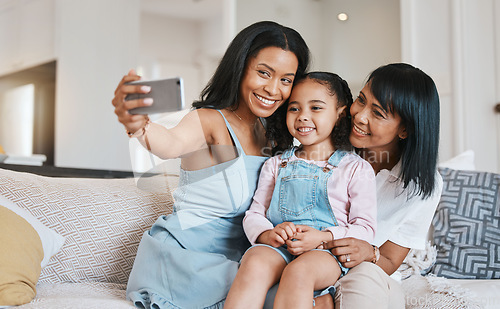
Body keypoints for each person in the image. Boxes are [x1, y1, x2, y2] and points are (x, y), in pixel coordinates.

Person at [111, 21, 310, 309]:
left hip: (244, 259)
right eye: (263, 73)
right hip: (188, 260)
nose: (273, 89)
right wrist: (138, 125)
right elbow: (169, 143)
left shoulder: (277, 134)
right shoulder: (209, 120)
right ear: (240, 67)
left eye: (286, 80)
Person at [224, 72, 377, 309]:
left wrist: (324, 237)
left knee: (300, 270)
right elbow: (255, 214)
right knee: (254, 260)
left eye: (316, 108)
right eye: (294, 109)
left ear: (340, 113)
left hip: (325, 254)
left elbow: (365, 229)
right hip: (279, 248)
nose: (303, 117)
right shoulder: (275, 164)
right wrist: (268, 234)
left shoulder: (355, 168)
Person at [308, 63, 443, 309]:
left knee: (366, 279)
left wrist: (369, 253)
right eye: (361, 100)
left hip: (370, 274)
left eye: (378, 113)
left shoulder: (423, 184)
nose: (359, 116)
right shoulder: (324, 143)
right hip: (310, 263)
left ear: (405, 129)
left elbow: (390, 259)